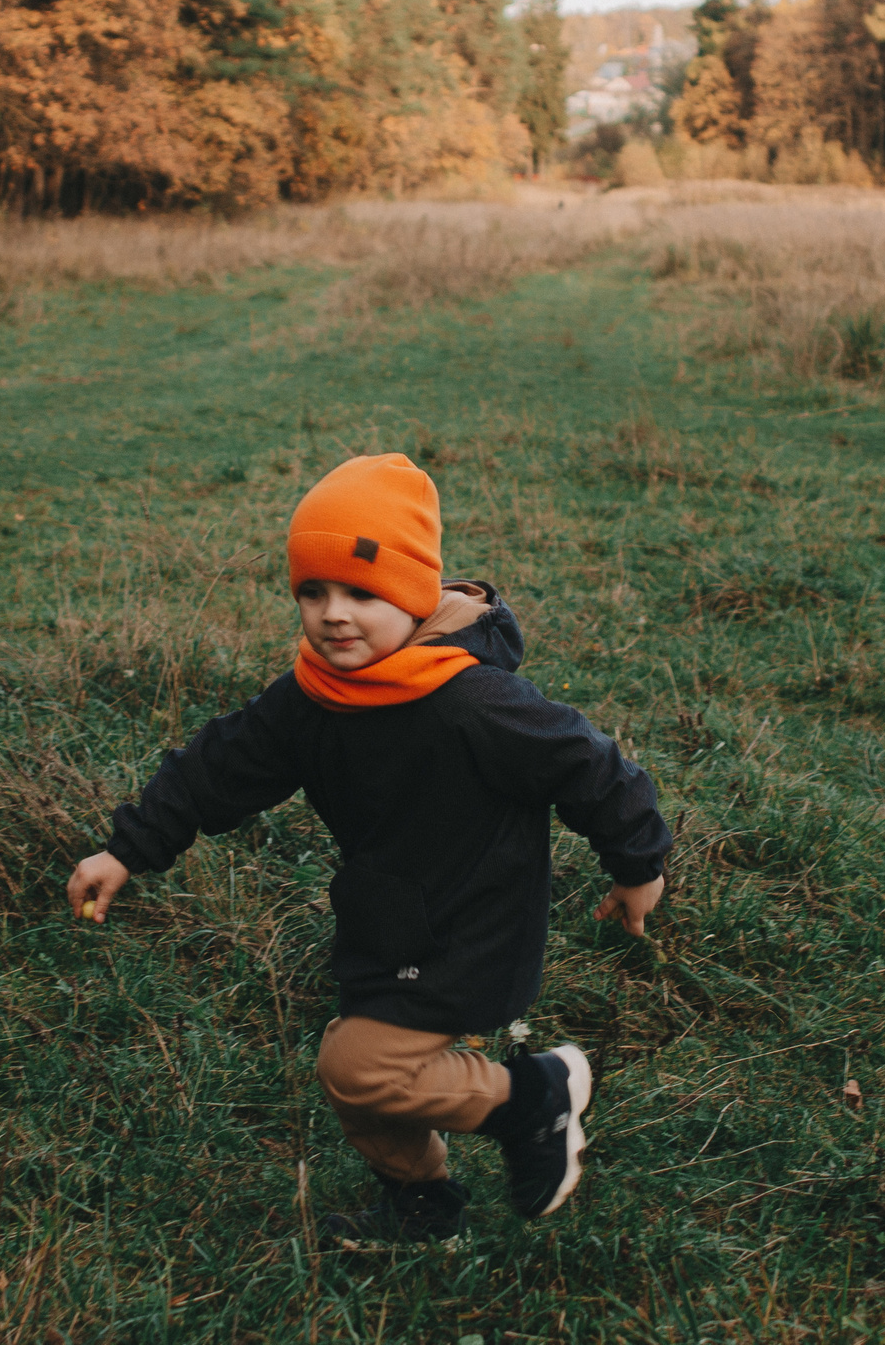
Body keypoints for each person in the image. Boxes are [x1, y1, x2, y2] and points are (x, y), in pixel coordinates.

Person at [66, 453, 672, 1244]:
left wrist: (638, 867)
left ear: (414, 597)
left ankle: (536, 1096)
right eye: (312, 592)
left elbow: (591, 766)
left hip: (476, 922)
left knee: (357, 1065)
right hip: (388, 915)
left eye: (361, 592)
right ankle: (421, 1207)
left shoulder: (471, 700)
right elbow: (218, 768)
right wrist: (127, 851)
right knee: (364, 1085)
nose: (333, 614)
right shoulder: (316, 693)